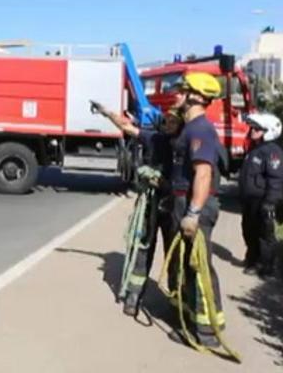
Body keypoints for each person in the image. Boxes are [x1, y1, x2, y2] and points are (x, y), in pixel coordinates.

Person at [94, 103, 182, 315]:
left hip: (173, 207)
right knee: (142, 249)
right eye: (167, 120)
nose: (169, 124)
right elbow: (127, 127)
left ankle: (176, 301)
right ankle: (133, 297)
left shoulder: (185, 144)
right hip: (150, 204)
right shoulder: (155, 138)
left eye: (174, 121)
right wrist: (107, 113)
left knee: (176, 254)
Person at [166, 72, 226, 348]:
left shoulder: (200, 129)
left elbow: (203, 173)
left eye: (183, 90)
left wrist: (192, 213)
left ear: (197, 97)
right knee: (188, 266)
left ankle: (208, 332)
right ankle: (195, 321)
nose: (177, 94)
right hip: (185, 202)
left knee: (199, 267)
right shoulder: (189, 128)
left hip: (196, 206)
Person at [238, 112, 283, 279]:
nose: (252, 131)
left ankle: (267, 266)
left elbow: (276, 179)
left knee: (265, 234)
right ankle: (252, 260)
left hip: (263, 200)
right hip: (250, 200)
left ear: (268, 131)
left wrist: (270, 202)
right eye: (252, 127)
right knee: (248, 230)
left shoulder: (273, 151)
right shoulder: (255, 148)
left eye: (257, 128)